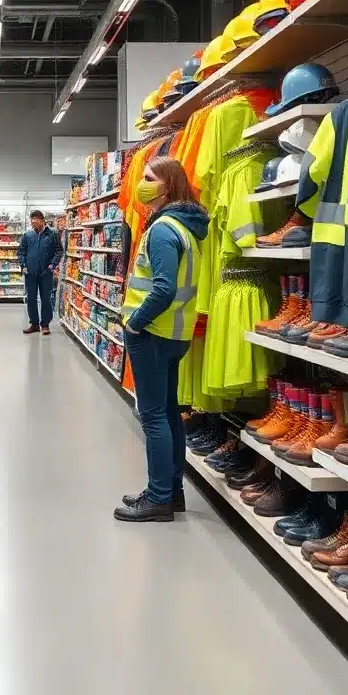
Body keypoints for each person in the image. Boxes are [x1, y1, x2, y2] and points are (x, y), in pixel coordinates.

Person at [115, 155, 208, 523]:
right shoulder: (186, 227)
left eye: (150, 176)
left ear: (167, 185)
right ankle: (172, 491)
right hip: (175, 333)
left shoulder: (163, 229)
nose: (142, 182)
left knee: (153, 416)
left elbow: (164, 287)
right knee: (169, 414)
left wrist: (135, 321)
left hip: (153, 334)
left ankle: (157, 499)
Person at [18, 209, 63, 335]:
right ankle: (34, 324)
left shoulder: (52, 234)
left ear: (42, 221)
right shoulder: (27, 235)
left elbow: (59, 251)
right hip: (30, 273)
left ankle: (45, 325)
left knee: (45, 299)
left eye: (36, 220)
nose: (33, 222)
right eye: (32, 220)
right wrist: (23, 265)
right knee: (31, 299)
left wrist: (52, 265)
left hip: (46, 273)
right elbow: (21, 251)